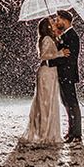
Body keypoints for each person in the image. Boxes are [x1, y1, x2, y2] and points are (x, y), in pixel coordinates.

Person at [20, 17, 70, 145]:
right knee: (45, 103)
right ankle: (43, 133)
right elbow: (43, 55)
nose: (55, 22)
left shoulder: (51, 38)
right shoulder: (47, 39)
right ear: (47, 26)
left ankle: (48, 132)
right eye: (52, 22)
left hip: (51, 73)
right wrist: (60, 53)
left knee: (50, 102)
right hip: (46, 73)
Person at [47, 9, 82, 143]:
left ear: (65, 20)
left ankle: (77, 133)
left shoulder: (72, 36)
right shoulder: (64, 35)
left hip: (68, 74)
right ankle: (71, 131)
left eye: (58, 19)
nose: (56, 21)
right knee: (66, 103)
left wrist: (51, 61)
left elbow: (69, 58)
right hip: (62, 74)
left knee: (72, 103)